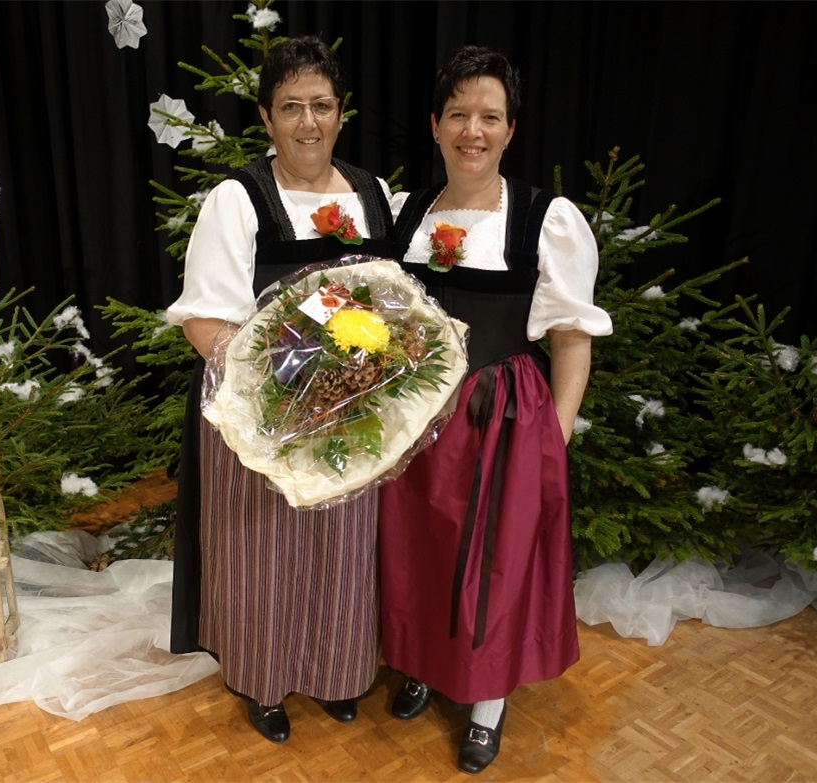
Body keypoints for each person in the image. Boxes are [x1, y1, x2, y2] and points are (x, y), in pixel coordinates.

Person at [379, 45, 613, 774]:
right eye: (458, 115)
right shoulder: (407, 210)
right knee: (418, 547)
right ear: (435, 124)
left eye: (489, 116)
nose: (471, 131)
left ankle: (486, 703)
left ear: (511, 128)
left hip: (502, 414)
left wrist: (556, 434)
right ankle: (421, 663)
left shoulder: (548, 219)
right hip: (418, 410)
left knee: (494, 562)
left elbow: (572, 339)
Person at [165, 35, 401, 744]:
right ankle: (264, 679)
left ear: (340, 114)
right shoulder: (235, 201)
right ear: (266, 118)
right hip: (261, 410)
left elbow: (394, 304)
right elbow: (204, 320)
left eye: (321, 106)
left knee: (342, 547)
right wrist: (277, 390)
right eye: (291, 106)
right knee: (263, 554)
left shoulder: (372, 193)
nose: (308, 122)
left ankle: (334, 672)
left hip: (354, 408)